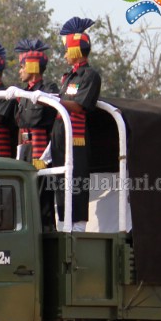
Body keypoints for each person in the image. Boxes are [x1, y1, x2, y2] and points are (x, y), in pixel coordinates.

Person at [50, 17, 102, 232]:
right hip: (61, 134)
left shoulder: (89, 76)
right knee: (60, 181)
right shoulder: (68, 78)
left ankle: (78, 226)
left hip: (76, 137)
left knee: (77, 181)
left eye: (66, 50)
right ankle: (63, 223)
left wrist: (58, 101)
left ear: (75, 51)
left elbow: (81, 105)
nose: (64, 55)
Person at [14, 38, 60, 228]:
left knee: (42, 197)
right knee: (25, 196)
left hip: (41, 152)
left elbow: (37, 120)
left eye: (22, 66)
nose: (20, 71)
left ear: (32, 66)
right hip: (26, 151)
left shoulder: (49, 89)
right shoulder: (23, 94)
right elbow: (20, 123)